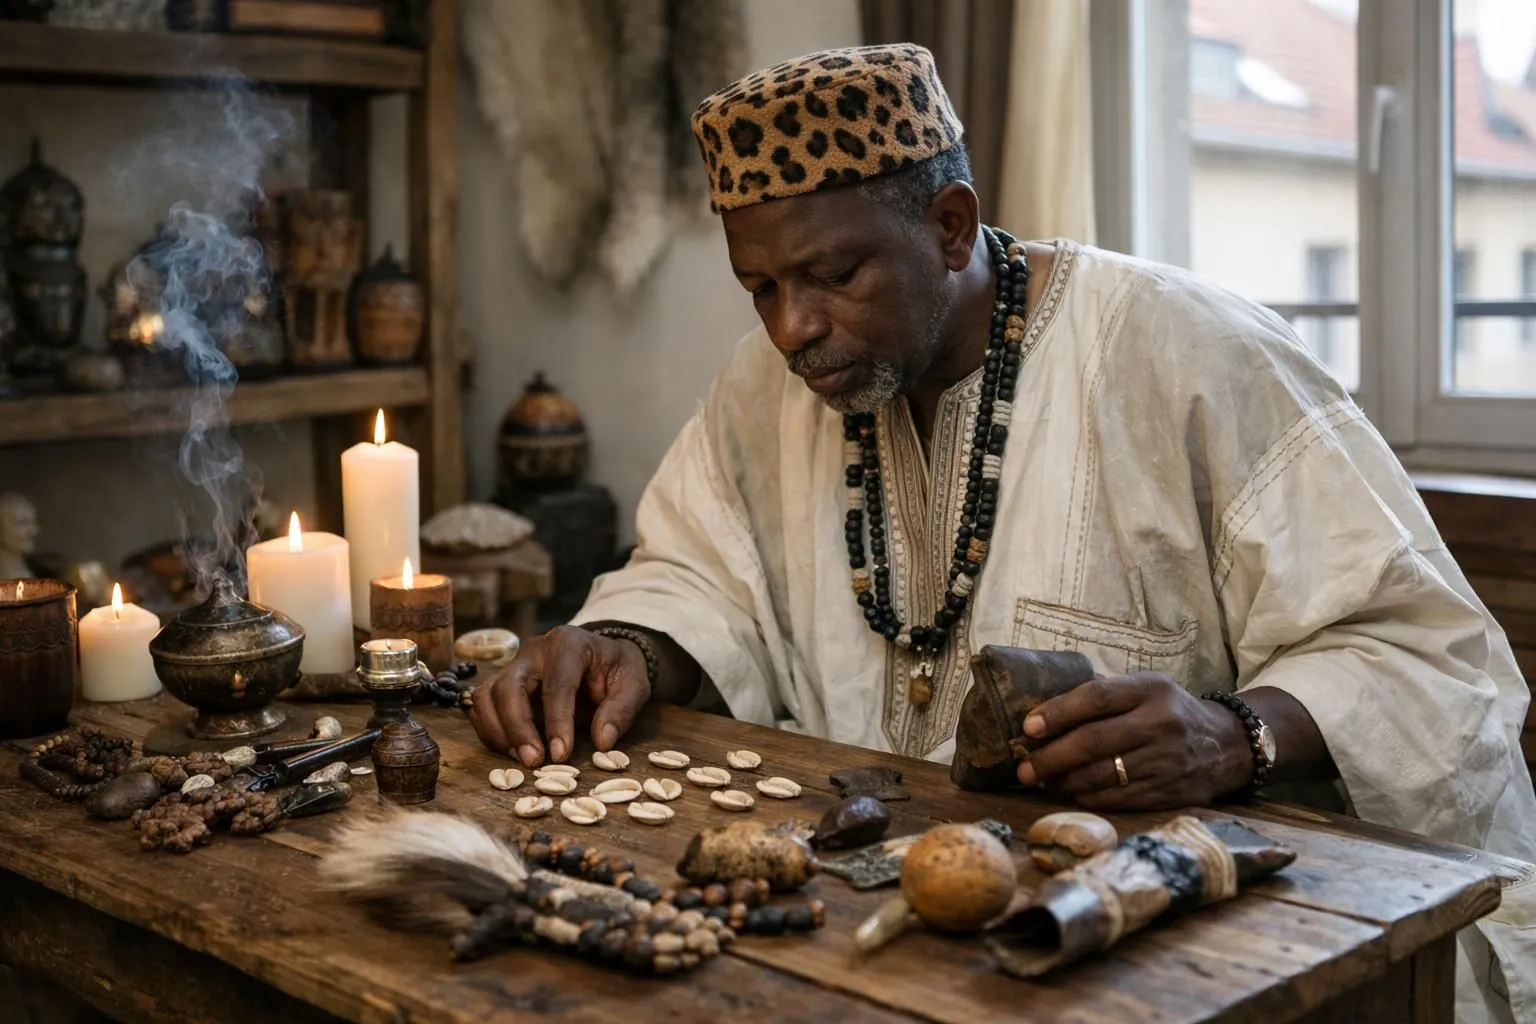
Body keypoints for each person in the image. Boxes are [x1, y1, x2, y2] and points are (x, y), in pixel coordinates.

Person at [470, 45, 1536, 1020]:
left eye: (834, 275)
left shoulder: (1190, 354)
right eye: (761, 285)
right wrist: (631, 643)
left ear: (949, 224)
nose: (790, 327)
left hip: (1166, 966)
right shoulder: (766, 385)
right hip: (861, 949)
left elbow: (1427, 658)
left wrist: (1237, 731)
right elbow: (701, 575)